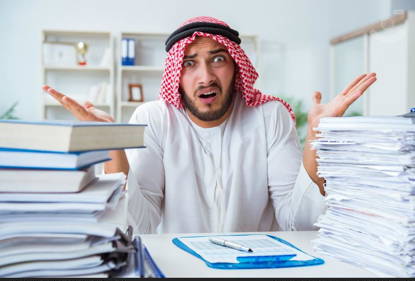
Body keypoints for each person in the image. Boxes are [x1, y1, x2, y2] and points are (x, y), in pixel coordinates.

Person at [43, 16, 376, 234]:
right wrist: (110, 144)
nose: (205, 76)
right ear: (176, 75)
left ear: (235, 67)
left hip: (259, 270)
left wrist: (316, 140)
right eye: (190, 64)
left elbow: (298, 222)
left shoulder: (269, 115)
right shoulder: (154, 119)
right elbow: (138, 226)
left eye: (218, 59)